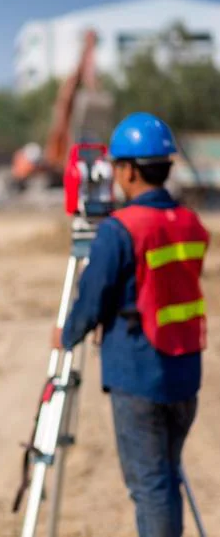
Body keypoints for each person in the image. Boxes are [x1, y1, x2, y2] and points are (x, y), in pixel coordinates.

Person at [52, 112, 209, 537]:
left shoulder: (120, 231)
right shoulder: (189, 223)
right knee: (165, 477)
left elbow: (92, 299)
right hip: (184, 371)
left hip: (140, 376)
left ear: (127, 171)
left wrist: (66, 335)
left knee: (150, 485)